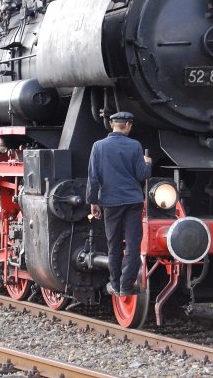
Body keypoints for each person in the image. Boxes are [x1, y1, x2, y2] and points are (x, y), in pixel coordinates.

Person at [86, 111, 152, 297]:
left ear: (112, 125)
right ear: (129, 125)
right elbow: (142, 175)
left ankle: (115, 284)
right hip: (133, 201)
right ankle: (126, 285)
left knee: (113, 244)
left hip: (110, 202)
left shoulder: (98, 146)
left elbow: (93, 177)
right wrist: (148, 164)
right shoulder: (135, 146)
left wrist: (93, 202)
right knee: (132, 245)